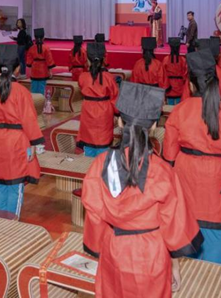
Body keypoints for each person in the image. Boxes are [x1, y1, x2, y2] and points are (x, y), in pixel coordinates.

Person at [82, 82, 202, 297]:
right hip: (151, 253)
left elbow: (94, 215)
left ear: (119, 122)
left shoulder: (100, 164)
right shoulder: (162, 171)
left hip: (114, 249)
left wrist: (98, 246)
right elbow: (174, 224)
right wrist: (174, 264)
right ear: (154, 126)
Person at [163, 49, 221, 265]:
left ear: (190, 84)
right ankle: (213, 277)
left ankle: (189, 275)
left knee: (188, 228)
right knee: (215, 234)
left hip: (186, 175)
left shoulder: (179, 111)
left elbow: (169, 154)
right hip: (218, 179)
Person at [0, 45, 44, 217]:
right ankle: (12, 223)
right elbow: (29, 120)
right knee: (15, 185)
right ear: (18, 68)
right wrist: (35, 144)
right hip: (17, 141)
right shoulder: (21, 91)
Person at [77, 42, 119, 157]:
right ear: (103, 59)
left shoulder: (83, 77)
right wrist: (118, 114)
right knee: (103, 146)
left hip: (88, 112)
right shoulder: (109, 77)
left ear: (87, 59)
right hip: (104, 113)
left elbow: (82, 86)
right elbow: (115, 98)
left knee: (88, 145)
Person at [26, 28, 54, 95]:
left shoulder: (31, 48)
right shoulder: (46, 48)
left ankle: (34, 100)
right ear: (43, 38)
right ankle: (41, 100)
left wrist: (30, 70)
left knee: (34, 87)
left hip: (34, 69)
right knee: (42, 87)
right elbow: (49, 60)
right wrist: (50, 71)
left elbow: (29, 62)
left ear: (35, 38)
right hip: (43, 69)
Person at [164, 38, 189, 105]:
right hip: (180, 87)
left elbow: (163, 75)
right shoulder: (183, 60)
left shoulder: (166, 59)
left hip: (169, 87)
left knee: (169, 108)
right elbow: (185, 75)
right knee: (179, 107)